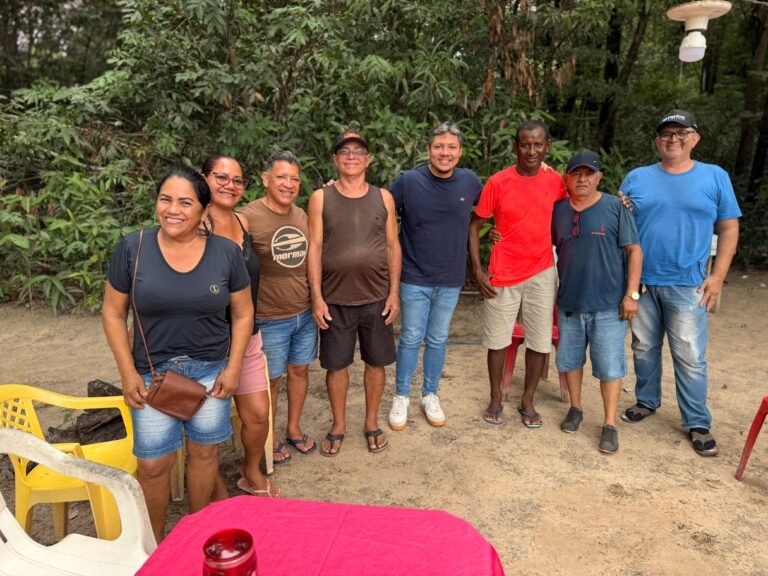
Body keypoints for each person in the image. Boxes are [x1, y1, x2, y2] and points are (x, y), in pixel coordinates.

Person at [102, 166, 253, 542]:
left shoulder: (226, 253)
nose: (173, 209)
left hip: (211, 373)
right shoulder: (133, 248)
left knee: (204, 455)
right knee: (153, 465)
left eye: (185, 202)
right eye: (165, 199)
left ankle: (195, 536)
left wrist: (234, 368)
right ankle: (154, 545)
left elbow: (243, 312)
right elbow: (113, 312)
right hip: (150, 375)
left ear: (204, 210)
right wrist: (127, 373)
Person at [618, 109, 741, 457]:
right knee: (643, 347)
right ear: (657, 141)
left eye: (681, 133)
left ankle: (697, 421)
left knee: (689, 354)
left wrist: (718, 277)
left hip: (689, 283)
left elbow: (729, 228)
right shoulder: (637, 177)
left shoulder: (714, 176)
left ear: (695, 139)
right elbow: (620, 225)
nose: (673, 139)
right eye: (666, 134)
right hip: (641, 280)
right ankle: (646, 400)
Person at [307, 129, 401, 456]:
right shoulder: (321, 198)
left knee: (376, 362)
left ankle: (371, 422)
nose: (351, 156)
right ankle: (338, 424)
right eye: (344, 151)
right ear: (335, 159)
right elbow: (314, 247)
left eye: (358, 151)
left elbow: (392, 246)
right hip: (335, 299)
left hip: (376, 298)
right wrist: (316, 297)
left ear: (368, 159)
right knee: (336, 365)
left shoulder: (383, 197)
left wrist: (394, 293)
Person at [468, 119, 568, 428]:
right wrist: (477, 270)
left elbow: (576, 208)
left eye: (538, 144)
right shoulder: (498, 182)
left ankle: (527, 400)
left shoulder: (556, 181)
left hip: (542, 272)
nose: (531, 151)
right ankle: (496, 397)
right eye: (525, 145)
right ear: (515, 147)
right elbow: (475, 225)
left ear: (547, 146)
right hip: (503, 272)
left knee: (539, 341)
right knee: (497, 339)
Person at [388, 122, 483, 430]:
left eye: (451, 147)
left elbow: (496, 204)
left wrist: (542, 173)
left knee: (439, 338)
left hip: (450, 277)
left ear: (460, 152)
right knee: (411, 337)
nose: (445, 152)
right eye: (439, 146)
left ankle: (430, 394)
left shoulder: (469, 182)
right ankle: (401, 396)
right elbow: (380, 212)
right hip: (414, 275)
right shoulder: (409, 182)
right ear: (429, 150)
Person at [551, 151, 642, 454]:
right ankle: (575, 408)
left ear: (599, 176)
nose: (582, 179)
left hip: (608, 305)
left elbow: (634, 251)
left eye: (589, 173)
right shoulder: (558, 210)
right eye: (576, 173)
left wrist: (631, 295)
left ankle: (609, 424)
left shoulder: (615, 207)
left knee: (609, 367)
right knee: (571, 361)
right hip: (569, 302)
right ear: (567, 178)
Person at [201, 155, 279, 497]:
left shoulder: (242, 221)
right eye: (221, 177)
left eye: (237, 180)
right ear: (204, 178)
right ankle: (212, 482)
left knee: (259, 415)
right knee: (208, 422)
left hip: (247, 335)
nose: (229, 185)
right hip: (205, 339)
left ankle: (250, 469)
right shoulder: (193, 223)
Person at [239, 151, 318, 465]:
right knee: (270, 381)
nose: (289, 184)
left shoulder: (302, 216)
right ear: (265, 179)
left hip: (304, 313)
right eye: (281, 177)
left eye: (294, 178)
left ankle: (293, 428)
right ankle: (268, 438)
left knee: (299, 371)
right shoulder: (247, 217)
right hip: (268, 317)